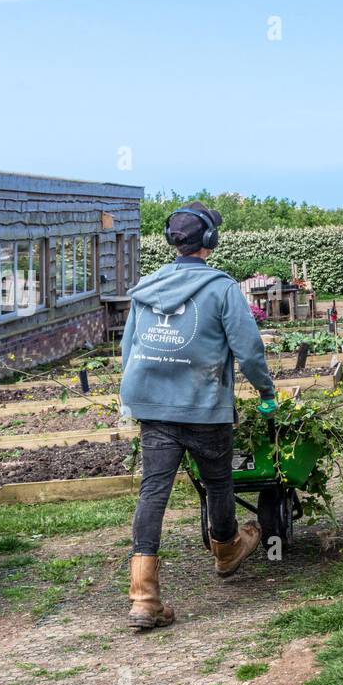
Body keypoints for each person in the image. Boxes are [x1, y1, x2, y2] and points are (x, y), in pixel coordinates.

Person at [119, 201, 278, 631]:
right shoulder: (222, 289)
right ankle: (226, 551)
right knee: (218, 481)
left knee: (153, 491)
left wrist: (130, 398)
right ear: (209, 240)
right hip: (204, 408)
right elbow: (248, 350)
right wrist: (266, 393)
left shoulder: (146, 288)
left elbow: (128, 349)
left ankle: (144, 598)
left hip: (153, 407)